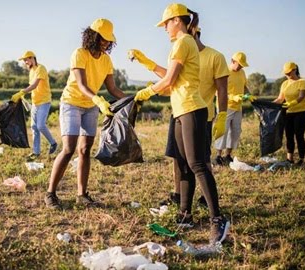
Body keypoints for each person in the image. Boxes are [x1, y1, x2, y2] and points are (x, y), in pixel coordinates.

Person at [131, 3, 230, 244]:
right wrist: (148, 66)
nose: (164, 28)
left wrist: (146, 92)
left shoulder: (183, 41)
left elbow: (169, 80)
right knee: (183, 165)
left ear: (177, 20)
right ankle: (185, 215)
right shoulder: (182, 44)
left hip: (193, 109)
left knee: (197, 163)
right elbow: (172, 84)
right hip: (180, 110)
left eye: (165, 23)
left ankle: (218, 219)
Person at [45, 18, 126, 210]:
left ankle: (82, 195)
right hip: (72, 103)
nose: (106, 43)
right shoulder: (79, 54)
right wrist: (97, 99)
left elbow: (113, 88)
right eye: (103, 39)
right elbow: (81, 84)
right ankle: (50, 194)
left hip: (90, 106)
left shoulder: (106, 60)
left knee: (85, 150)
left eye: (109, 40)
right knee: (68, 148)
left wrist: (131, 99)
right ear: (93, 36)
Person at [11, 51, 58, 160]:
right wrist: (23, 96)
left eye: (26, 60)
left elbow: (35, 85)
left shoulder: (41, 68)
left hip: (44, 101)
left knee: (40, 125)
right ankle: (36, 152)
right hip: (35, 103)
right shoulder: (31, 71)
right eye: (24, 61)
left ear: (32, 58)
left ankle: (53, 143)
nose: (25, 62)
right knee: (33, 127)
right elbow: (31, 86)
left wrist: (22, 92)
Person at [213, 52, 256, 165]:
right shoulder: (224, 72)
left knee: (235, 131)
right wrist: (233, 97)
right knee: (223, 131)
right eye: (239, 64)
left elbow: (244, 86)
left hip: (238, 107)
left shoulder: (242, 72)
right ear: (233, 61)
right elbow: (217, 91)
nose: (241, 67)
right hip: (225, 107)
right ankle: (218, 156)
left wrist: (249, 94)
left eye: (242, 65)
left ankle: (227, 155)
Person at [273, 62, 305, 165]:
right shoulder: (284, 84)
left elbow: (301, 96)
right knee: (289, 135)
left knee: (299, 135)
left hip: (302, 112)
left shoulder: (303, 82)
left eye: (289, 73)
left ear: (294, 70)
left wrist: (292, 103)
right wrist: (270, 104)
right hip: (288, 113)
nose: (287, 75)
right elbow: (280, 99)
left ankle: (301, 160)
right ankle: (290, 159)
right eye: (286, 73)